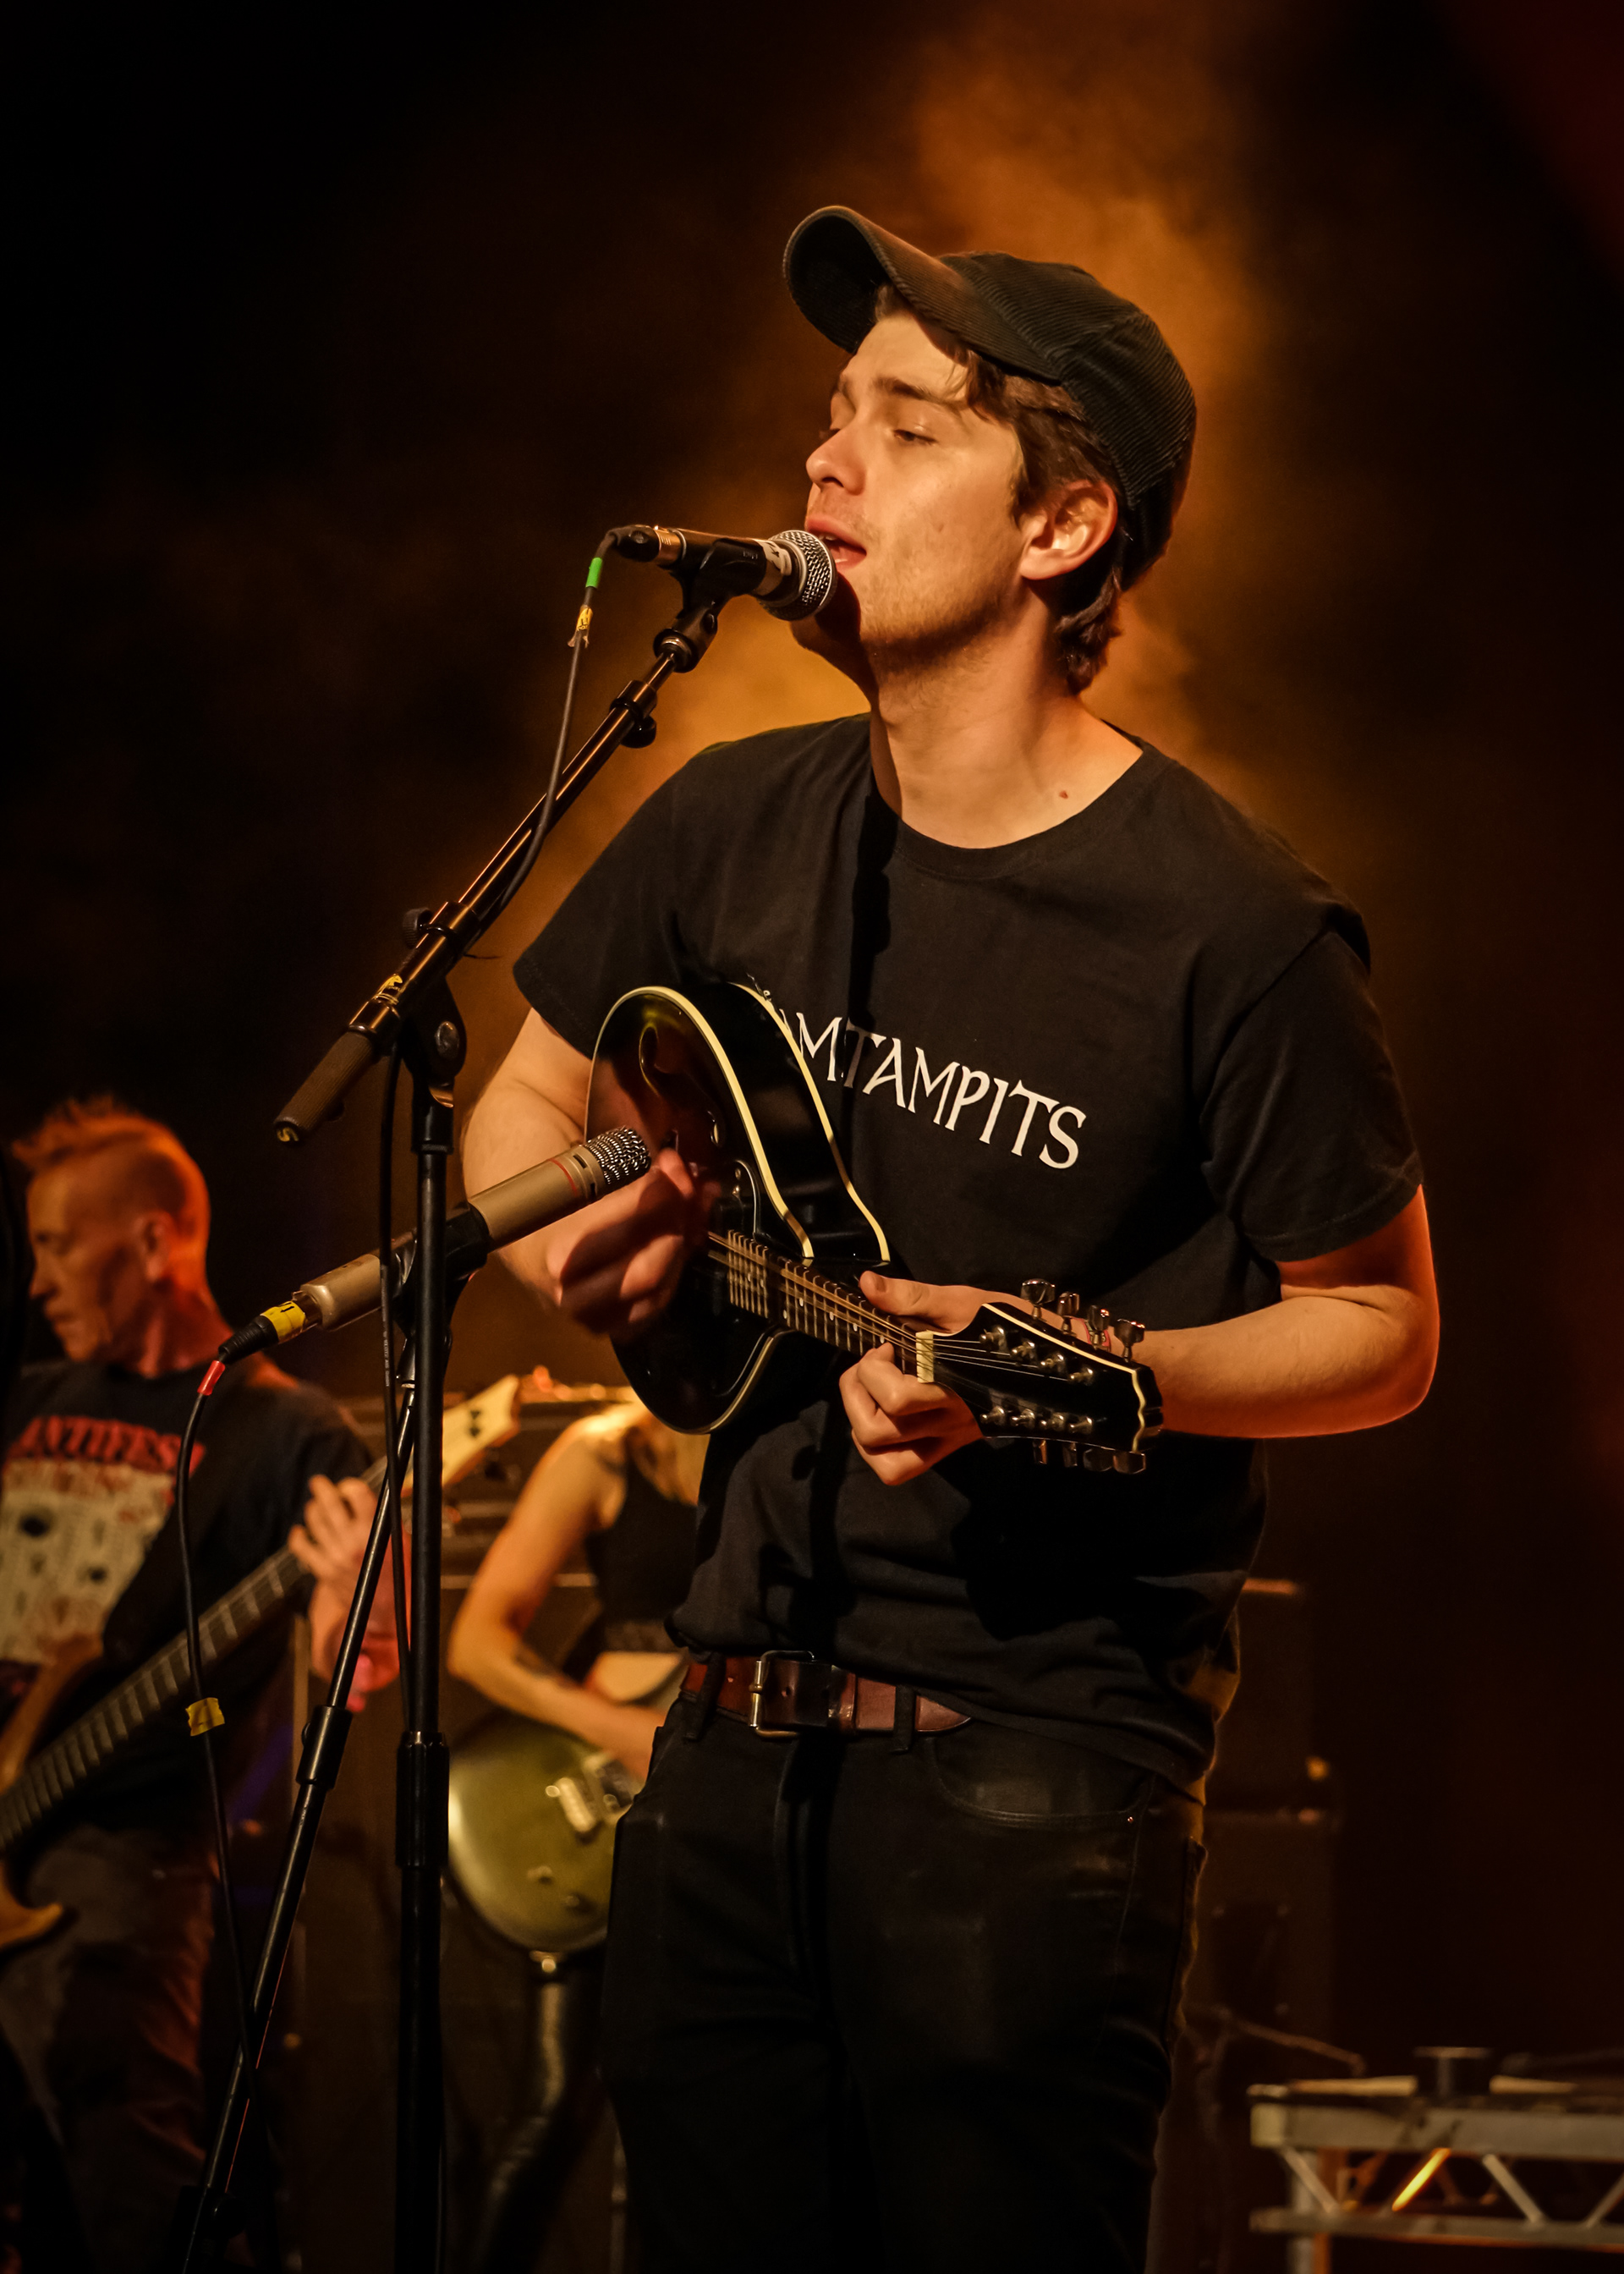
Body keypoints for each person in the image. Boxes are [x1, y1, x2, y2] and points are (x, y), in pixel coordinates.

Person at [462, 206, 1440, 2271]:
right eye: (834, 413)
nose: (826, 461)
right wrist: (570, 1239)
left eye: (906, 428)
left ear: (1063, 527)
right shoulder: (731, 815)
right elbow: (517, 1115)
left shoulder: (1233, 928)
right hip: (721, 1748)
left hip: (1032, 1782)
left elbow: (1380, 1327)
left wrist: (1088, 1368)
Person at [0, 1098, 398, 2274]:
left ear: (155, 1240)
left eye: (57, 1245)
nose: (38, 1280)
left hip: (126, 1856)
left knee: (130, 2177)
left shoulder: (287, 1432)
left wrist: (354, 1601)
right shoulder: (30, 1399)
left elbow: (353, 1665)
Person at [447, 1399, 701, 2271]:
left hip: (726, 1816)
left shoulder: (786, 1442)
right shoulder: (606, 1450)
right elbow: (477, 1642)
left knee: (710, 2112)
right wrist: (618, 1728)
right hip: (604, 1813)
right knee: (553, 2106)